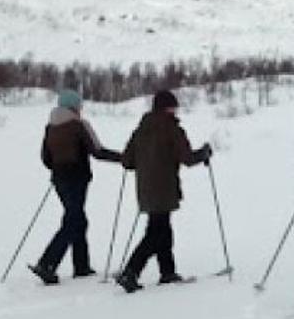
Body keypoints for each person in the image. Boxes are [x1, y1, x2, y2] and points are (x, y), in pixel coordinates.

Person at [115, 89, 212, 293]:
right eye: (173, 106)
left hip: (145, 188)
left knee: (162, 229)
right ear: (167, 107)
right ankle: (131, 271)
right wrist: (204, 153)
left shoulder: (141, 129)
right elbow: (187, 158)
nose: (175, 110)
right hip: (164, 187)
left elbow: (127, 161)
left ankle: (167, 272)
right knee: (155, 233)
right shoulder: (171, 128)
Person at [28, 90, 122, 285]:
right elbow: (97, 151)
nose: (81, 110)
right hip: (78, 179)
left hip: (59, 180)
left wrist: (59, 168)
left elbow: (46, 158)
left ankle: (81, 266)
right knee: (73, 222)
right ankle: (47, 263)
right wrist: (123, 158)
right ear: (74, 107)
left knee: (77, 219)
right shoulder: (79, 126)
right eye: (79, 106)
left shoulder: (51, 127)